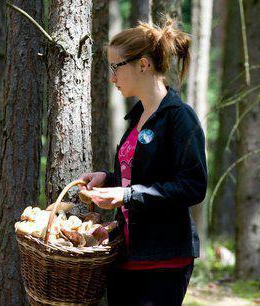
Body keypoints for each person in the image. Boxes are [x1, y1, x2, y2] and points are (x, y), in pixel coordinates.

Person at [78, 20, 207, 306]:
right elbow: (140, 176)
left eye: (116, 66)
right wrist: (108, 179)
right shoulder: (137, 118)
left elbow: (193, 186)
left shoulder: (179, 117)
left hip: (163, 260)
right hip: (125, 255)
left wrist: (126, 194)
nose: (112, 77)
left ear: (144, 64)